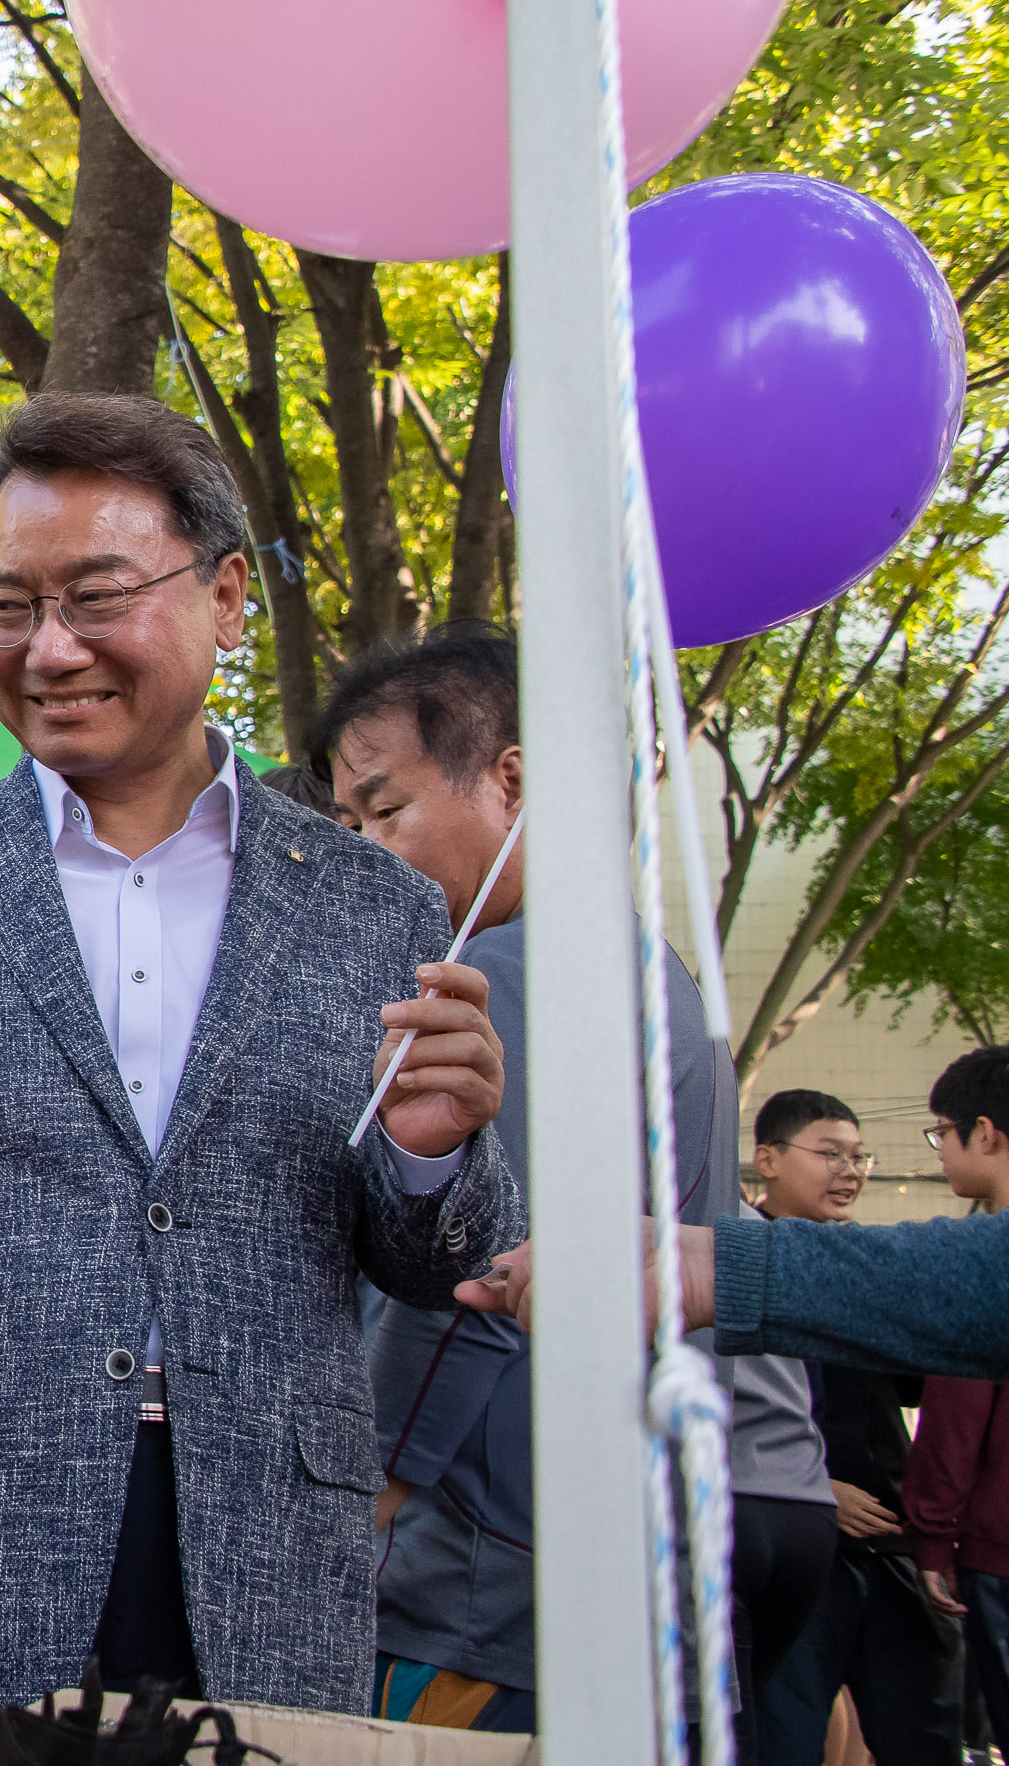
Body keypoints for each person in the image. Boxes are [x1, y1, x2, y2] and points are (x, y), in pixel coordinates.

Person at [0, 393, 518, 1760]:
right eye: (9, 605)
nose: (52, 648)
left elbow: (439, 1261)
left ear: (224, 596)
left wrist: (436, 1152)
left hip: (266, 1553)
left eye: (96, 596)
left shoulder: (373, 908)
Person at [318, 627, 836, 1745]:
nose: (364, 850)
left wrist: (375, 1485)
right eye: (348, 824)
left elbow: (478, 1277)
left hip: (477, 1560)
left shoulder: (499, 978)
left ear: (511, 777)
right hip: (614, 1550)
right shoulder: (645, 965)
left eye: (386, 808)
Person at [747, 1090, 962, 1766]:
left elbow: (934, 1388)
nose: (850, 1171)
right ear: (767, 1160)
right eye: (829, 1153)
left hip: (895, 1550)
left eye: (858, 1157)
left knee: (923, 1740)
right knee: (786, 1742)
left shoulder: (867, 1268)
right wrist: (814, 1486)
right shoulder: (730, 1266)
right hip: (799, 1554)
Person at [908, 1047, 1009, 1759]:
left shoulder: (979, 1257)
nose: (939, 1149)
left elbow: (957, 1416)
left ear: (986, 1132)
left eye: (941, 1132)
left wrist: (932, 1536)